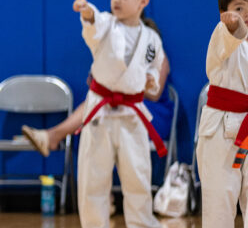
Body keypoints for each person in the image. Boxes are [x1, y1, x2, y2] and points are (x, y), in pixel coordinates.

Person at [70, 0, 166, 228]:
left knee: (137, 175)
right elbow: (92, 22)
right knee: (92, 176)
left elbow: (153, 72)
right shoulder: (106, 25)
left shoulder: (151, 39)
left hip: (132, 113)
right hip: (100, 111)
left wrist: (152, 81)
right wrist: (86, 10)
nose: (116, 0)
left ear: (143, 1)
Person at [197, 0, 248, 228]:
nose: (245, 15)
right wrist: (233, 25)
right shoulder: (222, 35)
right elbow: (233, 32)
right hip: (221, 125)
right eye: (239, 8)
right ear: (223, 13)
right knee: (220, 193)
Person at [21, 58, 172, 155]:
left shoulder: (157, 53)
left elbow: (155, 93)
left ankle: (52, 136)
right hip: (117, 108)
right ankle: (104, 194)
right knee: (95, 111)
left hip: (151, 114)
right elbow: (92, 83)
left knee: (104, 109)